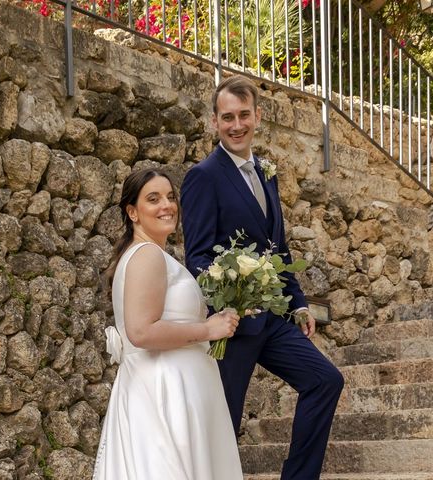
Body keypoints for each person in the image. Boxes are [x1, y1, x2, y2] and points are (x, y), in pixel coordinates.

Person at [181, 74, 344, 479]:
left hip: (273, 320)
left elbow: (278, 248)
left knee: (325, 380)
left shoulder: (267, 173)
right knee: (223, 423)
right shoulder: (204, 176)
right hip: (233, 326)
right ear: (215, 122)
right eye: (227, 117)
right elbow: (198, 256)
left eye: (244, 115)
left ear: (258, 116)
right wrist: (228, 302)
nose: (236, 125)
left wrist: (299, 301)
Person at [93, 168, 243, 480]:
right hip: (164, 393)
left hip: (172, 387)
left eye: (170, 197)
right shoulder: (147, 255)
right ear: (132, 212)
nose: (167, 205)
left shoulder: (154, 255)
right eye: (153, 199)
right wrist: (208, 329)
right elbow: (141, 331)